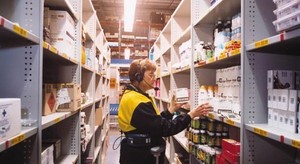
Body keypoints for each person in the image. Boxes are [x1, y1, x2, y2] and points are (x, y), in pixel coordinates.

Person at [118, 58, 212, 164]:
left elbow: (154, 122)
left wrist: (171, 110)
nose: (154, 78)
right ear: (139, 77)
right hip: (140, 156)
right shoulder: (136, 101)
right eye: (151, 75)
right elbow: (165, 128)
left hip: (137, 152)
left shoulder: (136, 96)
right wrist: (190, 115)